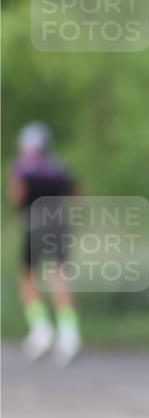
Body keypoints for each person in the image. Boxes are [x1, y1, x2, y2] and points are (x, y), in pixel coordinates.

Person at [8, 122, 81, 366]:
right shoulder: (60, 167)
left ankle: (41, 327)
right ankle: (68, 331)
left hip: (35, 224)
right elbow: (77, 197)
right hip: (58, 223)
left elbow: (16, 198)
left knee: (28, 276)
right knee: (60, 275)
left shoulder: (22, 168)